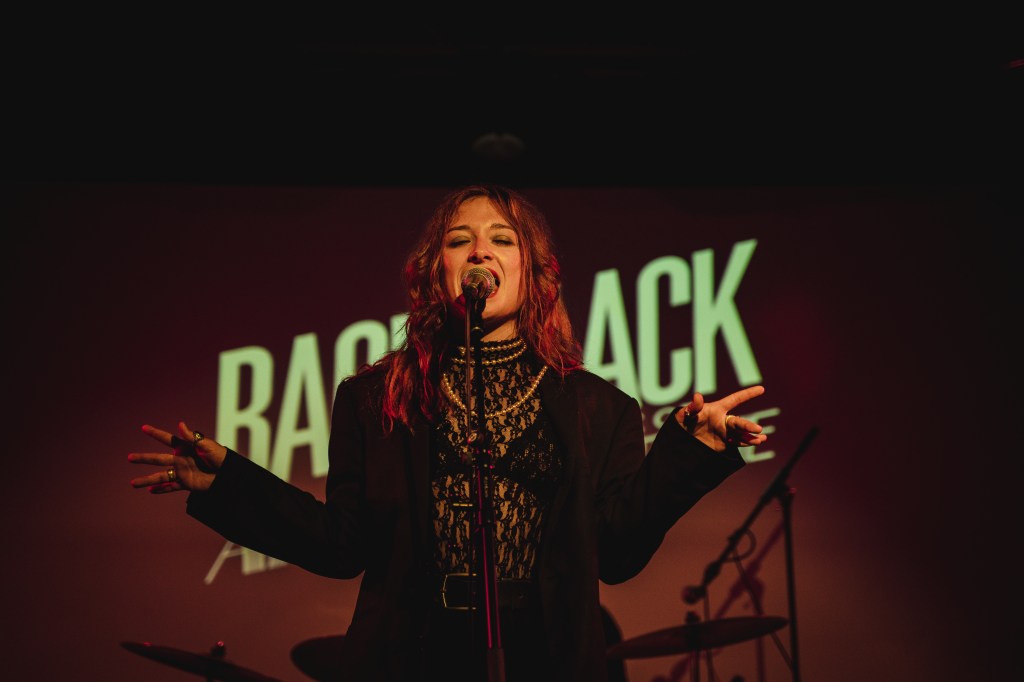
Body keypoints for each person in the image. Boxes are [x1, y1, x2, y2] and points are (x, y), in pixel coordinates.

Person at [128, 184, 768, 682]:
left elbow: (618, 553)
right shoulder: (373, 399)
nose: (479, 251)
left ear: (533, 270)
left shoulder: (599, 408)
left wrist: (692, 451)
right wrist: (230, 484)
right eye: (460, 241)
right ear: (436, 271)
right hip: (413, 657)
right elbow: (342, 545)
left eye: (502, 239)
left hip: (544, 659)